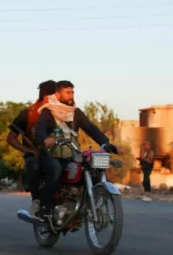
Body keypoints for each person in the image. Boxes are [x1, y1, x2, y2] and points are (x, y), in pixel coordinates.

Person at [34, 80, 119, 222]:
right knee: (55, 170)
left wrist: (106, 144)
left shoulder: (76, 113)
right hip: (52, 154)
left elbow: (91, 129)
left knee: (93, 169)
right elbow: (40, 129)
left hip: (72, 154)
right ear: (57, 93)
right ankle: (46, 209)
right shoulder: (48, 112)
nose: (71, 95)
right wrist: (44, 140)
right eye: (67, 92)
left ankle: (83, 204)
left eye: (72, 92)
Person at [7, 81, 56, 212]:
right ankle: (36, 200)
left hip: (56, 154)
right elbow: (10, 138)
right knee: (32, 162)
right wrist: (28, 150)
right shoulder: (27, 115)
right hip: (37, 155)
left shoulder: (59, 113)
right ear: (47, 97)